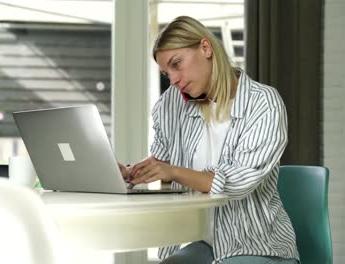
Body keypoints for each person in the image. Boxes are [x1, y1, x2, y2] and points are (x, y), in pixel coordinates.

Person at [119, 16, 299, 264]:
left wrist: (172, 171)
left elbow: (236, 183)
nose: (172, 79)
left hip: (258, 245)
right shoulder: (173, 102)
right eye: (166, 72)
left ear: (205, 48)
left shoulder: (263, 103)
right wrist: (131, 172)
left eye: (177, 64)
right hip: (207, 243)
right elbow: (160, 161)